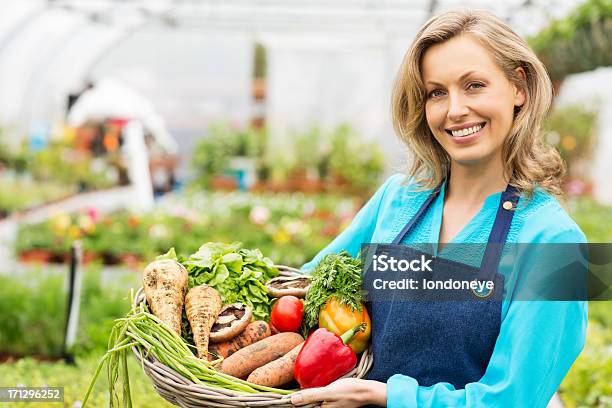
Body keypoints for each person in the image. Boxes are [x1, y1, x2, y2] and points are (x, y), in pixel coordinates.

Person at [290, 9, 587, 408]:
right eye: (437, 92)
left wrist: (384, 396)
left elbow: (514, 398)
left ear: (519, 87)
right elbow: (304, 290)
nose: (455, 110)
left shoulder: (557, 243)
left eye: (474, 85)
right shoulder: (397, 199)